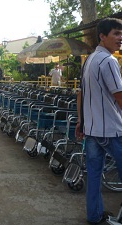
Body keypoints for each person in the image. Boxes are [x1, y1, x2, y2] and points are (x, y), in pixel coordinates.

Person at [75, 18, 122, 225]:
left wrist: (80, 121)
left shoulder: (89, 60)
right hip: (112, 130)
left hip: (92, 130)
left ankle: (93, 215)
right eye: (115, 34)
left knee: (94, 175)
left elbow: (81, 94)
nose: (120, 38)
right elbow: (120, 96)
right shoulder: (109, 61)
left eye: (121, 34)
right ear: (102, 37)